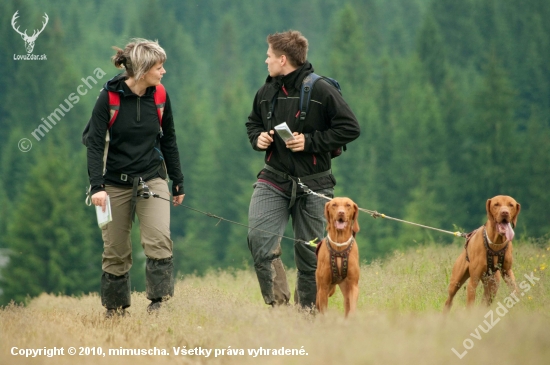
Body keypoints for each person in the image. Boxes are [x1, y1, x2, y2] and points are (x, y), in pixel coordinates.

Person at [245, 30, 360, 309]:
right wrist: (258, 138)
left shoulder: (321, 89)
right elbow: (253, 123)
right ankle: (279, 309)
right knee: (259, 241)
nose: (266, 61)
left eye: (269, 56)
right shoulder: (266, 91)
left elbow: (350, 128)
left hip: (315, 183)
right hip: (273, 179)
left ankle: (307, 316)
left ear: (283, 59)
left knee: (310, 255)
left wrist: (310, 142)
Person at [86, 38, 184, 317]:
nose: (163, 72)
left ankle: (159, 306)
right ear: (142, 70)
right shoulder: (109, 97)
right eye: (159, 66)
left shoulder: (160, 95)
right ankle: (115, 311)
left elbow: (170, 140)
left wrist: (177, 180)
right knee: (115, 249)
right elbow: (94, 144)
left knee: (159, 239)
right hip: (114, 183)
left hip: (152, 179)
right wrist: (97, 186)